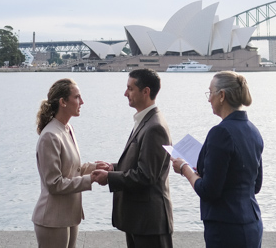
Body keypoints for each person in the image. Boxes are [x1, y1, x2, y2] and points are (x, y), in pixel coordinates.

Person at [171, 71, 264, 248]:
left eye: (210, 93)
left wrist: (185, 168)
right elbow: (255, 185)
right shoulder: (253, 131)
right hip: (252, 224)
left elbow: (209, 191)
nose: (208, 99)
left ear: (222, 95)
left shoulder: (220, 132)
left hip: (226, 227)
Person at [91, 68, 173, 248]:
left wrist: (110, 178)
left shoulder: (154, 127)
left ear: (146, 91)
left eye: (130, 89)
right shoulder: (146, 120)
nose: (125, 93)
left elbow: (146, 175)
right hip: (140, 221)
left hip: (149, 223)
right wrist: (113, 167)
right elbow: (139, 162)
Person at [32, 79, 109, 248]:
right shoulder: (50, 136)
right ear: (63, 102)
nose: (82, 102)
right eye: (77, 97)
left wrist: (94, 168)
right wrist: (91, 179)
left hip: (69, 214)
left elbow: (72, 169)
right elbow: (54, 184)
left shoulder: (67, 129)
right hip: (52, 218)